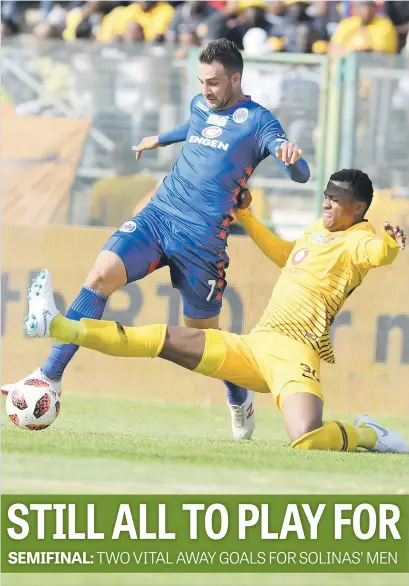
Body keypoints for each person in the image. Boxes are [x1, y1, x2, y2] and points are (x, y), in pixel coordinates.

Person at [2, 39, 310, 441]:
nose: (206, 90)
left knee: (202, 340)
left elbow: (300, 172)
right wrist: (160, 140)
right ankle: (50, 376)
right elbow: (195, 127)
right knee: (100, 275)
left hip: (202, 243)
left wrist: (293, 161)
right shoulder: (201, 105)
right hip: (159, 217)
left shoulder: (259, 120)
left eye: (214, 82)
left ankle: (239, 398)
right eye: (201, 81)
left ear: (236, 78)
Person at [23, 169, 408, 453]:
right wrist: (246, 217)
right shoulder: (317, 231)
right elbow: (286, 256)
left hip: (296, 353)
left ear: (358, 209)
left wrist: (390, 245)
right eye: (326, 195)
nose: (327, 203)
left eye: (336, 199)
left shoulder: (359, 240)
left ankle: (368, 434)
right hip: (256, 346)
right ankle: (57, 325)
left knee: (306, 439)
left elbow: (377, 255)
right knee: (161, 338)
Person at [330, 1, 398, 56]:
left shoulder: (384, 24)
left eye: (370, 6)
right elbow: (334, 49)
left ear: (375, 8)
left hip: (375, 67)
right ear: (356, 8)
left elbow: (383, 53)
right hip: (348, 65)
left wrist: (365, 53)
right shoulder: (347, 24)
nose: (367, 10)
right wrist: (352, 52)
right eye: (363, 6)